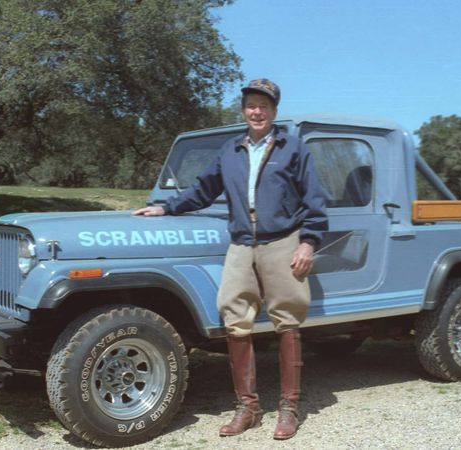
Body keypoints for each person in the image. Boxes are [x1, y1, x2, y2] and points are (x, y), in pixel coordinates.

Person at [133, 78, 327, 440]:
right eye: (252, 105)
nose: (257, 111)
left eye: (264, 106)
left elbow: (314, 201)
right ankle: (248, 408)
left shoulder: (293, 148)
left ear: (274, 111)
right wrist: (165, 207)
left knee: (287, 321)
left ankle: (288, 409)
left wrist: (308, 243)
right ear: (244, 110)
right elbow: (203, 190)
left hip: (283, 241)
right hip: (241, 242)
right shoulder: (230, 150)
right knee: (233, 315)